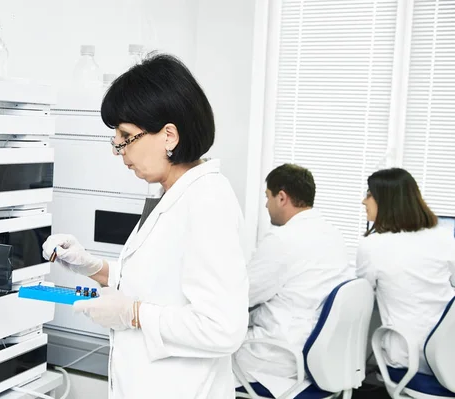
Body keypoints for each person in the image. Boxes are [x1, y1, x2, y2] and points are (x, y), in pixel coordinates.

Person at [42, 54, 249, 399]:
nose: (118, 150)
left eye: (126, 136)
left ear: (169, 135)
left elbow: (223, 328)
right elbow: (161, 282)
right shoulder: (169, 194)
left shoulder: (208, 199)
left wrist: (134, 314)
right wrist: (95, 267)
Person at [233, 164, 355, 397]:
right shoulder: (333, 234)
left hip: (280, 357)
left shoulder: (282, 240)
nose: (266, 205)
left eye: (267, 197)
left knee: (205, 354)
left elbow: (242, 295)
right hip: (322, 354)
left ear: (282, 197)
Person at [356, 168, 455, 375]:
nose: (364, 202)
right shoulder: (444, 236)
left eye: (369, 195)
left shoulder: (373, 245)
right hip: (447, 354)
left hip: (407, 356)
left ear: (386, 200)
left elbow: (363, 295)